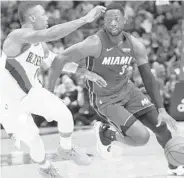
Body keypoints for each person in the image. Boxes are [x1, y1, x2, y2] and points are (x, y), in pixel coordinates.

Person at [48, 3, 184, 176]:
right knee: (141, 138)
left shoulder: (134, 44)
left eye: (117, 19)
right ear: (103, 22)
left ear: (125, 20)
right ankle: (106, 133)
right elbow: (59, 59)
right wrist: (48, 93)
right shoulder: (94, 42)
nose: (113, 23)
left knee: (161, 127)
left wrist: (161, 109)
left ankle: (175, 167)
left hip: (128, 91)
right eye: (108, 20)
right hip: (105, 98)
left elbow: (148, 76)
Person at [1, 2, 106, 178]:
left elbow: (56, 61)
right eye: (43, 14)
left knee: (65, 115)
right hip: (8, 103)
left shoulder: (41, 46)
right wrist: (85, 19)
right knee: (34, 141)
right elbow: (51, 34)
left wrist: (84, 72)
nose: (47, 17)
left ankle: (65, 148)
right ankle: (44, 167)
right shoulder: (16, 36)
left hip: (32, 92)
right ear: (32, 18)